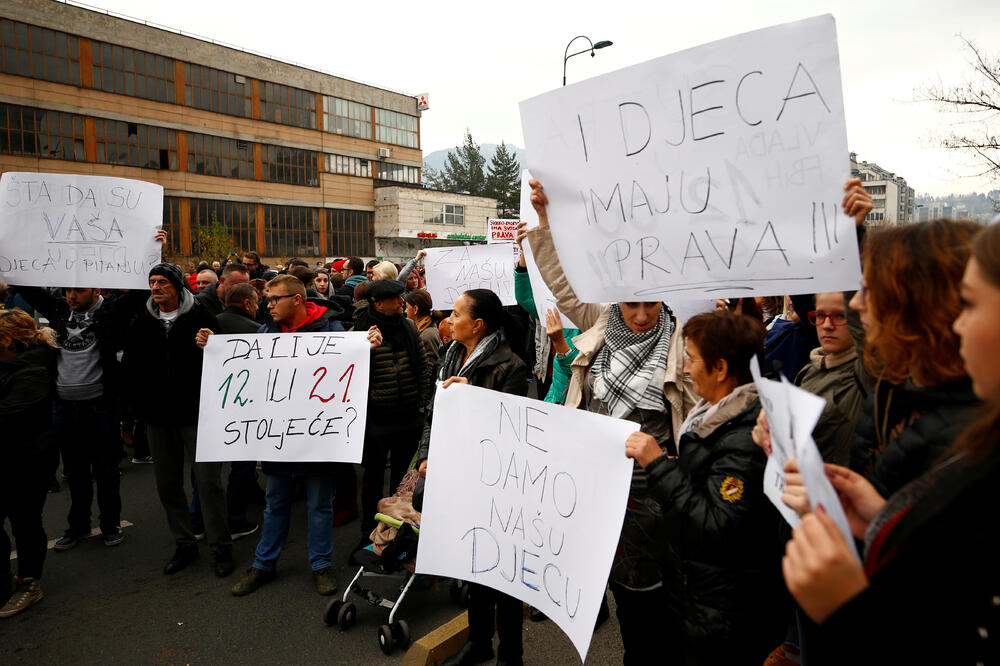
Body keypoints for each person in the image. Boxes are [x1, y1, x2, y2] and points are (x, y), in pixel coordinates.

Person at [779, 220, 1000, 665]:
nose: (856, 307)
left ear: (916, 307)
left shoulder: (971, 449)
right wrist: (884, 519)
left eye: (971, 303)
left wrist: (847, 612)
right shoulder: (899, 391)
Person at [527, 179, 695, 664]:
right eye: (631, 305)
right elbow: (562, 280)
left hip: (649, 492)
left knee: (650, 595)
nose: (641, 315)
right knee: (610, 581)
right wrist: (545, 220)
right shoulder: (599, 320)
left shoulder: (683, 340)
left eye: (650, 304)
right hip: (593, 486)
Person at [624, 310, 786, 663]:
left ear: (721, 369)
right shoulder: (712, 414)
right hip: (700, 593)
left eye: (693, 359)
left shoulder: (744, 439)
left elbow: (718, 524)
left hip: (725, 612)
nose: (685, 369)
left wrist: (659, 465)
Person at [223, 275, 378, 597]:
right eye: (267, 299)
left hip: (316, 439)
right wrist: (210, 347)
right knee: (275, 502)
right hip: (280, 439)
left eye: (274, 299)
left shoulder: (330, 329)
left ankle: (320, 565)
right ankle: (263, 564)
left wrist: (367, 350)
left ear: (296, 299)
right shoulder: (267, 332)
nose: (268, 305)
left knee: (319, 504)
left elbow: (349, 372)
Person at [415, 289, 529, 666]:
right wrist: (427, 456)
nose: (447, 320)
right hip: (454, 475)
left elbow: (509, 431)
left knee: (502, 573)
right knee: (472, 564)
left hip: (493, 485)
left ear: (477, 325)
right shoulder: (449, 357)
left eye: (456, 314)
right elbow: (435, 414)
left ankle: (511, 654)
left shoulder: (510, 365)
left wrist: (475, 395)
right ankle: (479, 642)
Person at [847, 218, 982, 497]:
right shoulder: (896, 382)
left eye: (869, 291)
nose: (854, 303)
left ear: (917, 304)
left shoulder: (966, 443)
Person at [13, 282, 148, 551]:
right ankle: (78, 526)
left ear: (96, 290)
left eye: (78, 291)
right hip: (64, 407)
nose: (71, 296)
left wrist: (153, 246)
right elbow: (27, 287)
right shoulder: (60, 309)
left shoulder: (111, 311)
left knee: (106, 470)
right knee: (75, 472)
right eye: (67, 291)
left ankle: (110, 524)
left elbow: (140, 291)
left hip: (100, 407)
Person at [121, 263, 232, 577]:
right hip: (158, 418)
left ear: (178, 286)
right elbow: (130, 369)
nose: (156, 288)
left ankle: (220, 546)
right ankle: (184, 544)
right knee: (167, 484)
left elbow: (226, 361)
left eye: (162, 283)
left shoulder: (202, 318)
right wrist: (134, 411)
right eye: (152, 282)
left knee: (208, 483)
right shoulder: (141, 323)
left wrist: (212, 343)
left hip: (198, 416)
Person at [352, 279, 427, 541]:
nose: (401, 302)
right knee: (372, 477)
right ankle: (367, 533)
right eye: (395, 299)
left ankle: (395, 531)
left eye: (401, 297)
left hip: (408, 416)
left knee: (401, 479)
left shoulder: (408, 327)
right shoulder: (361, 331)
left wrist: (422, 403)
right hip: (377, 420)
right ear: (378, 303)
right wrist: (366, 349)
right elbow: (353, 372)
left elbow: (422, 367)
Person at [188, 282, 263, 541]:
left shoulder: (208, 327)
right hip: (244, 409)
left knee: (207, 471)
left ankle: (197, 521)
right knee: (242, 467)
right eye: (256, 302)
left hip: (210, 407)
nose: (258, 307)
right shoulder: (258, 332)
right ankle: (234, 520)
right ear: (246, 304)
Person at [0, 310, 59, 618]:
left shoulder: (34, 371)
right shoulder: (9, 365)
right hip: (8, 457)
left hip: (28, 460)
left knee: (24, 521)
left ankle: (29, 583)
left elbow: (10, 415)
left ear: (7, 340)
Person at [403, 288, 441, 378]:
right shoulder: (425, 329)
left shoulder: (427, 335)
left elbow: (427, 371)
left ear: (415, 309)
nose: (405, 311)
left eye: (407, 307)